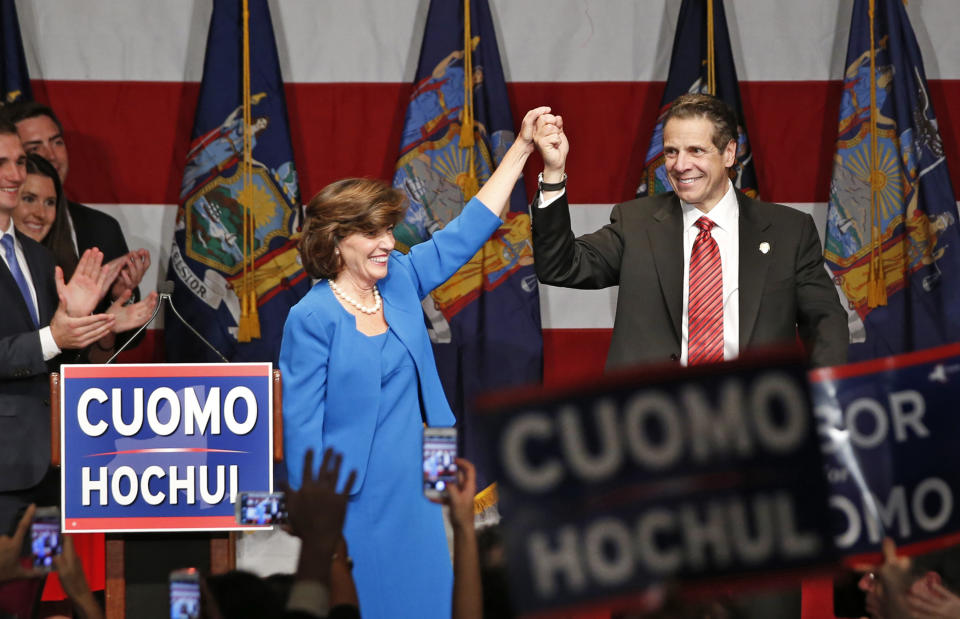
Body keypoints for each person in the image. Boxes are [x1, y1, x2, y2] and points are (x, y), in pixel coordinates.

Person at [280, 106, 549, 619]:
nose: (388, 242)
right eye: (375, 233)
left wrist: (521, 149)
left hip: (417, 492)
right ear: (336, 240)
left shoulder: (400, 278)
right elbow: (301, 428)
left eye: (390, 230)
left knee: (430, 603)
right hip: (350, 499)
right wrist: (316, 522)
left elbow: (468, 230)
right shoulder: (310, 318)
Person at [531, 94, 848, 369]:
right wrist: (554, 172)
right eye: (671, 151)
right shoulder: (636, 223)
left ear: (728, 153)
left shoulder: (788, 231)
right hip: (656, 424)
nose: (680, 165)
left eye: (696, 150)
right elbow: (560, 266)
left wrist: (824, 396)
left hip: (754, 421)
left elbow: (826, 322)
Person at [0, 118, 116, 618]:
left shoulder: (33, 254)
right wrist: (55, 333)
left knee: (33, 588)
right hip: (1, 475)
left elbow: (53, 355)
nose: (14, 175)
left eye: (19, 163)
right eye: (1, 163)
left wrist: (86, 323)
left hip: (47, 463)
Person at [5, 100, 151, 348]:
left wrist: (117, 299)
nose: (51, 155)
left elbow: (104, 353)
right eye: (34, 147)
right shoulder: (12, 247)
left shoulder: (101, 227)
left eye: (57, 142)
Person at [11, 153, 158, 363]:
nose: (40, 213)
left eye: (50, 202)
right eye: (29, 199)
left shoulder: (57, 268)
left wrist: (106, 327)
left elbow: (88, 368)